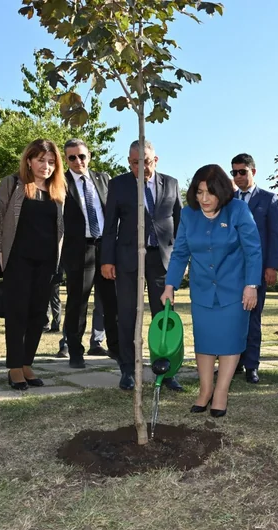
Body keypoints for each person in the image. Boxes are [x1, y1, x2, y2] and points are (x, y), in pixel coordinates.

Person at [160, 165, 262, 417]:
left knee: (230, 341)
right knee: (204, 341)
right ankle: (205, 390)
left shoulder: (238, 210)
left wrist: (251, 286)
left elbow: (253, 250)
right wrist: (170, 285)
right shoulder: (188, 214)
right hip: (202, 289)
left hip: (235, 290)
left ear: (222, 192)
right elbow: (181, 252)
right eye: (199, 192)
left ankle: (221, 392)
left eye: (210, 193)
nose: (204, 199)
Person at [102, 140, 183, 391]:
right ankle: (128, 369)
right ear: (129, 162)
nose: (141, 167)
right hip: (128, 259)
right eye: (135, 163)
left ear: (155, 160)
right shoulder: (118, 185)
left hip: (162, 260)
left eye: (146, 162)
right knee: (127, 315)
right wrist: (107, 259)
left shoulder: (171, 184)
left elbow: (181, 224)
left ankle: (167, 370)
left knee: (164, 316)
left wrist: (181, 261)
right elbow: (109, 227)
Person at [0, 139, 66, 391]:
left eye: (51, 162)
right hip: (17, 259)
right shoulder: (13, 184)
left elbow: (61, 230)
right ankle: (14, 367)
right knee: (17, 314)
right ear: (29, 161)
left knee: (37, 316)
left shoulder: (58, 190)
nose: (46, 166)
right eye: (41, 160)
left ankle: (27, 363)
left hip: (46, 262)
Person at [60, 138, 119, 369]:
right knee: (78, 302)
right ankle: (75, 351)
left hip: (105, 248)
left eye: (81, 156)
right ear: (66, 159)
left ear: (89, 156)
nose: (77, 161)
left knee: (111, 301)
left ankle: (115, 348)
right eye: (72, 157)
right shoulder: (61, 182)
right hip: (78, 250)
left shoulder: (103, 179)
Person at [231, 153, 278, 384]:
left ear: (253, 171)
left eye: (243, 171)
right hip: (230, 270)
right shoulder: (228, 200)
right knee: (231, 317)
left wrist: (272, 266)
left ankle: (251, 365)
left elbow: (273, 236)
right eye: (234, 172)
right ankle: (233, 363)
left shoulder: (268, 200)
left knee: (252, 318)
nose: (238, 176)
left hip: (257, 271)